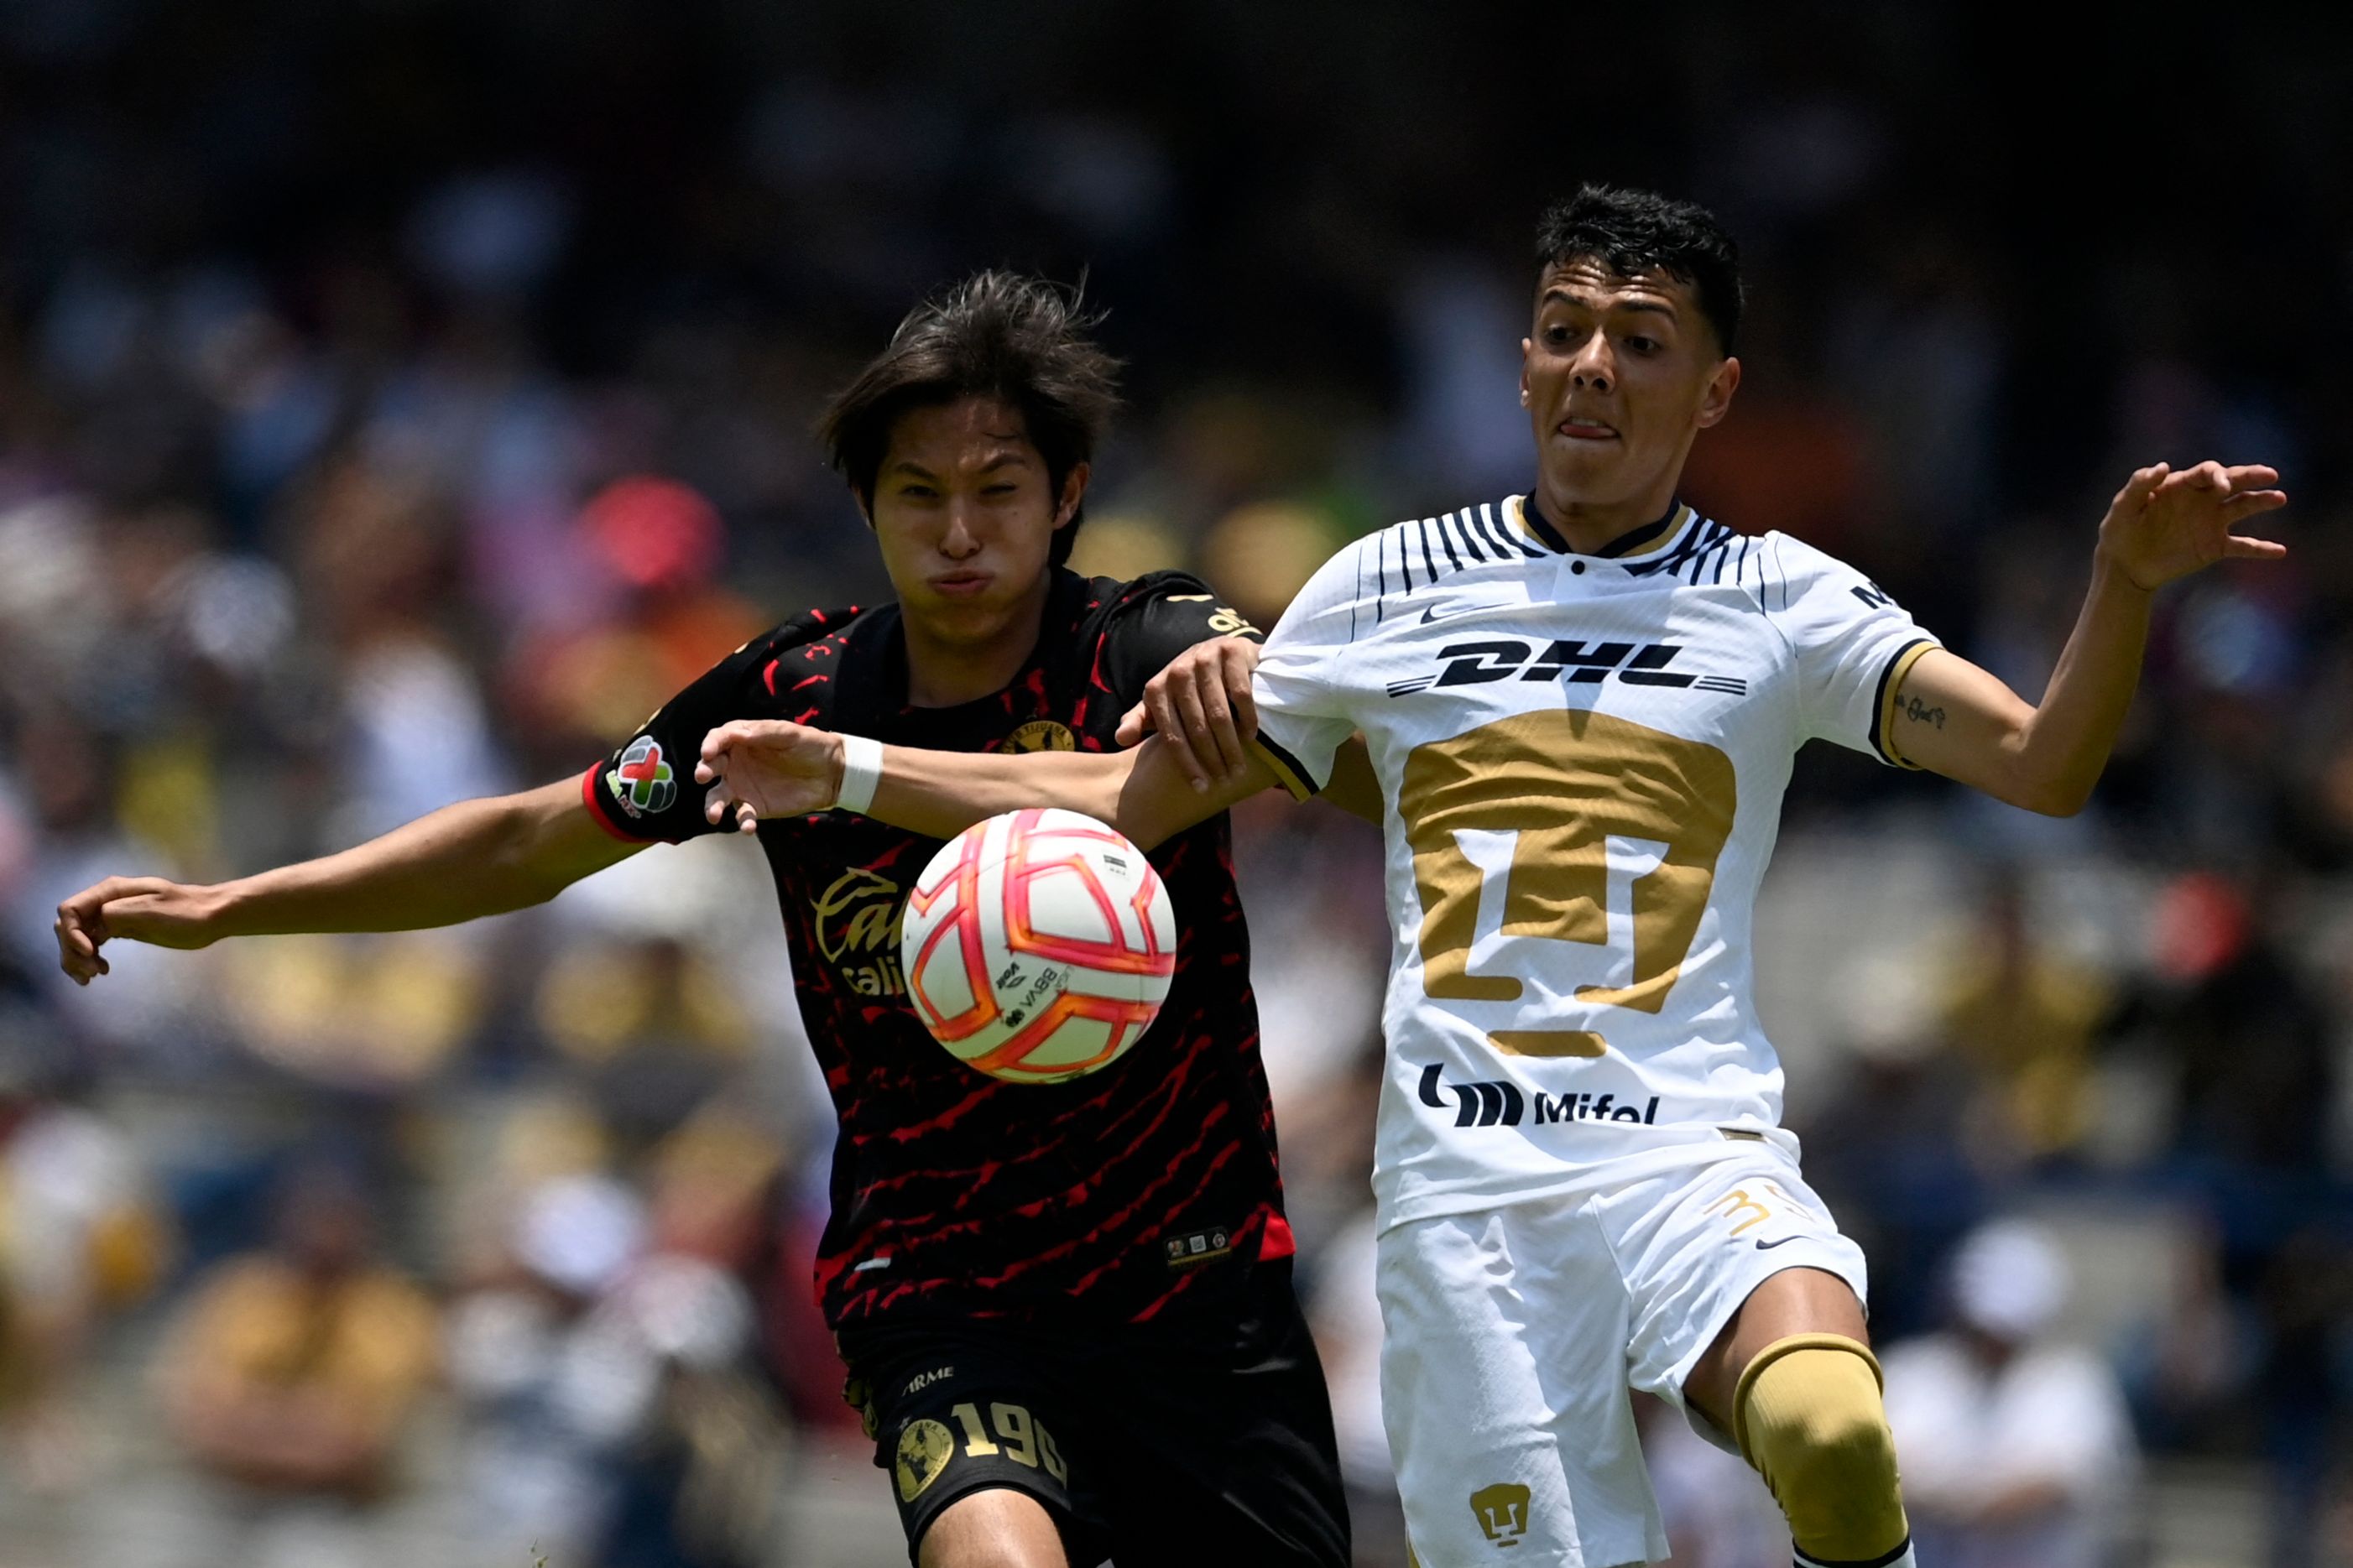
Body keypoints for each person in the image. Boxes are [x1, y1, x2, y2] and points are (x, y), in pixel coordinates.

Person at [681, 186, 2286, 1568]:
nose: (1590, 364)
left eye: (1638, 337)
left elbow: (2041, 764)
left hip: (1685, 1149)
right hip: (1465, 1213)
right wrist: (850, 769)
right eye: (1560, 328)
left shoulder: (1782, 599)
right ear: (1521, 358)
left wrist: (2119, 583)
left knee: (1830, 1424)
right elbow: (1118, 796)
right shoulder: (1383, 584)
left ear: (1712, 387)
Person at [54, 273, 1354, 1568]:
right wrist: (233, 906)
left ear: (1068, 495)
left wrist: (849, 776)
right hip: (945, 1289)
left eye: (999, 489)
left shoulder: (1147, 648)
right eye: (920, 492)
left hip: (1194, 1284)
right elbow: (532, 836)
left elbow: (1148, 794)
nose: (960, 531)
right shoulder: (794, 686)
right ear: (867, 502)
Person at [1879, 1220, 2137, 1568]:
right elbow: (1876, 1473)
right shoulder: (1910, 1373)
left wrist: (1951, 1500)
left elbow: (2051, 1487)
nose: (1994, 1343)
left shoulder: (2072, 1385)